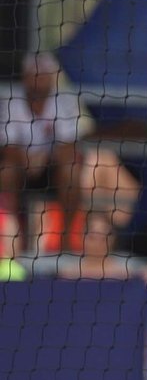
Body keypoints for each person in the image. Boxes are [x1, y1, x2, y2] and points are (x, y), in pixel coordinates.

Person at [1, 53, 85, 253]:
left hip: (51, 166)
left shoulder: (62, 101)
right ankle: (13, 237)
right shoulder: (12, 100)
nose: (38, 80)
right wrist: (27, 160)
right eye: (33, 75)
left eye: (42, 75)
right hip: (21, 165)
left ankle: (65, 239)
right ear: (25, 77)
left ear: (50, 77)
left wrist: (44, 158)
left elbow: (69, 148)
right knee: (6, 170)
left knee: (72, 169)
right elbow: (8, 147)